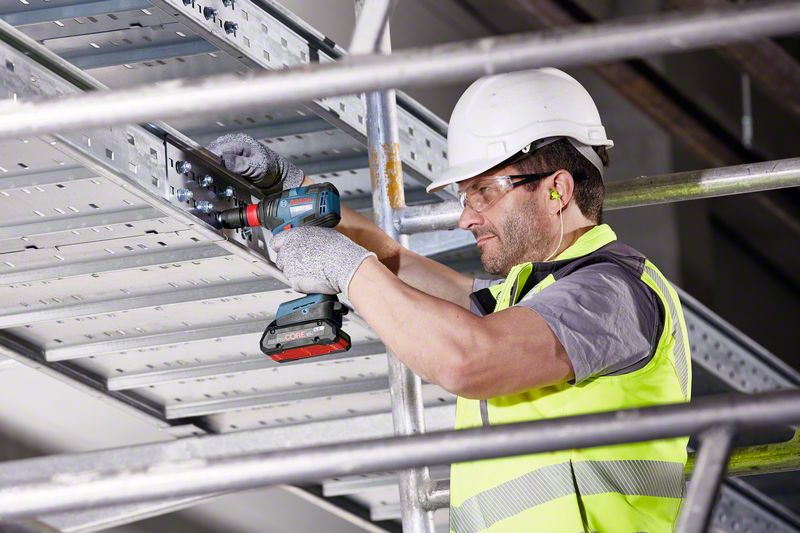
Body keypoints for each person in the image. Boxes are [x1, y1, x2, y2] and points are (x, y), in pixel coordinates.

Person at [208, 67, 692, 533]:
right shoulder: (528, 298)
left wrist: (347, 268)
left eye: (483, 191)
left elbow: (467, 359)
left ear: (557, 191)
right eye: (465, 197)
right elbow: (397, 265)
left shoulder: (612, 293)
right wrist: (291, 189)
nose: (466, 218)